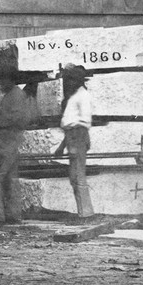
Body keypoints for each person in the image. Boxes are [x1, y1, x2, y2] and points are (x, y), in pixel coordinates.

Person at [0, 68, 32, 224]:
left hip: (9, 140)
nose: (0, 83)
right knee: (10, 179)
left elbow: (19, 119)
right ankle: (13, 214)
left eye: (3, 80)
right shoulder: (11, 95)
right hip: (8, 140)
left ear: (11, 80)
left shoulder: (16, 96)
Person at [53, 63, 94, 218]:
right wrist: (62, 146)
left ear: (77, 80)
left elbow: (83, 122)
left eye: (70, 79)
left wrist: (75, 143)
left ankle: (85, 214)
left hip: (78, 135)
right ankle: (82, 211)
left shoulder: (83, 96)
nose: (67, 83)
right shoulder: (75, 96)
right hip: (72, 136)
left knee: (78, 176)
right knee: (74, 177)